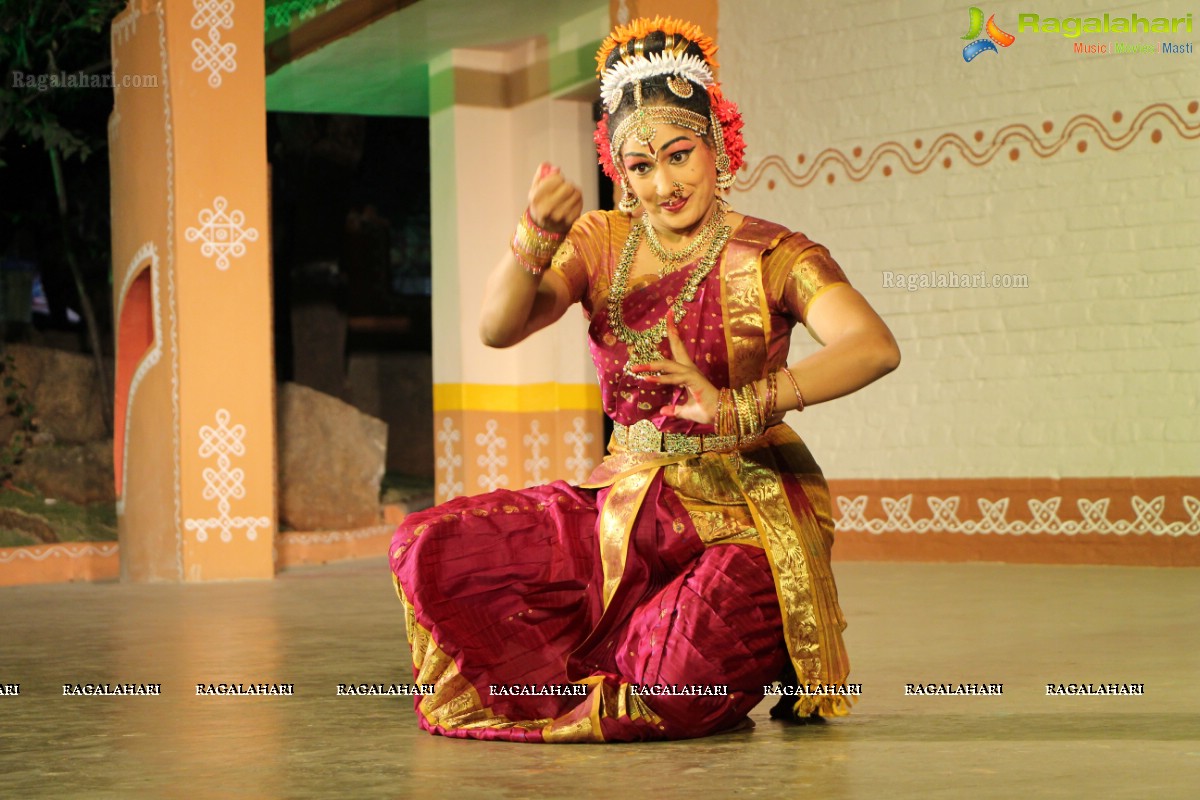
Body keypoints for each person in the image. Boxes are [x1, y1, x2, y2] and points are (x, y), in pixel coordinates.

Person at [389, 17, 900, 743]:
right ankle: (604, 649)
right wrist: (532, 233)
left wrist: (739, 405)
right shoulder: (602, 241)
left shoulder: (775, 253)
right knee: (430, 546)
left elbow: (873, 345)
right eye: (640, 167)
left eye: (679, 155)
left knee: (672, 680)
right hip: (624, 504)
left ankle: (704, 643)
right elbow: (500, 326)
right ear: (619, 171)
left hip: (743, 515)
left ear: (718, 146)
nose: (664, 184)